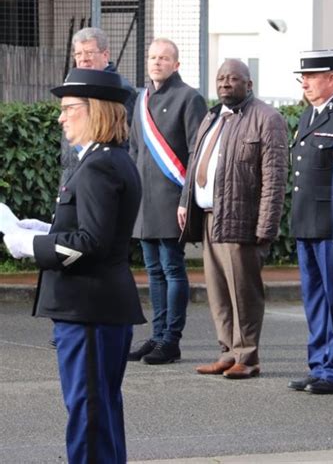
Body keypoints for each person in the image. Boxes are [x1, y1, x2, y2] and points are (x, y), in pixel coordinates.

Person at [2, 67, 145, 464]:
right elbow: (91, 228)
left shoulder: (100, 164)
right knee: (99, 413)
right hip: (93, 307)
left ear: (94, 110)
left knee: (90, 416)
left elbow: (91, 243)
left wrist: (28, 244)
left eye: (69, 108)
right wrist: (43, 228)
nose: (61, 117)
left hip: (89, 309)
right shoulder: (103, 159)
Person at [178, 59, 288, 379]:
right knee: (218, 291)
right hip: (210, 217)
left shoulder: (267, 118)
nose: (226, 83)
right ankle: (227, 351)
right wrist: (186, 202)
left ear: (249, 84)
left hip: (243, 221)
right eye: (221, 78)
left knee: (243, 292)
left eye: (234, 79)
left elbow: (274, 178)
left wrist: (266, 227)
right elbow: (195, 161)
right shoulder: (212, 117)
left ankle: (247, 357)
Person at [127, 38, 207, 364]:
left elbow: (196, 152)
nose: (156, 62)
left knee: (173, 269)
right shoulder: (141, 98)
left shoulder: (189, 98)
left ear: (176, 64)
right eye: (152, 57)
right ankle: (157, 335)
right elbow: (134, 150)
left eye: (164, 58)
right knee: (152, 271)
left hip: (174, 199)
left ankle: (171, 340)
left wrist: (187, 199)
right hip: (145, 203)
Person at [287, 50, 333, 395]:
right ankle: (319, 365)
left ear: (332, 79)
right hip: (306, 224)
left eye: (312, 77)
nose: (305, 83)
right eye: (303, 77)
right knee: (314, 300)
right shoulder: (307, 117)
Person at [61, 26, 136, 184]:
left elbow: (123, 141)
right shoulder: (74, 86)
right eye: (78, 53)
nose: (83, 59)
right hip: (73, 176)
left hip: (101, 177)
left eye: (89, 52)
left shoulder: (120, 90)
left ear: (105, 55)